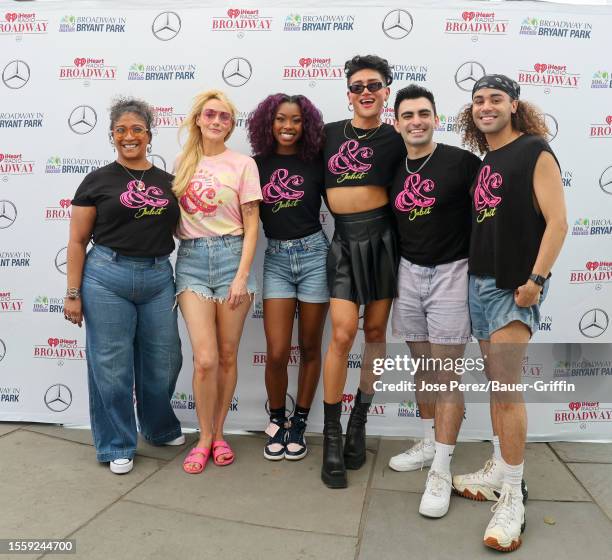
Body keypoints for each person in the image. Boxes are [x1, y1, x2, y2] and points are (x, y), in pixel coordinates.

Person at [453, 75, 567, 552]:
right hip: (480, 283)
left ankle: (514, 495)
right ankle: (501, 466)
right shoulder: (489, 160)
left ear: (514, 105)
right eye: (478, 100)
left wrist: (535, 282)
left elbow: (558, 222)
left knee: (505, 390)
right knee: (496, 388)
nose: (485, 107)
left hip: (513, 288)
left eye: (495, 99)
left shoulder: (534, 150)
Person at [65, 98, 184, 475]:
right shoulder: (97, 180)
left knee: (166, 361)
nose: (128, 136)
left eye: (137, 129)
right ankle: (117, 442)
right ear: (112, 135)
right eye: (121, 130)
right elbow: (76, 241)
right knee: (111, 366)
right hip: (106, 277)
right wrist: (73, 293)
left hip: (157, 277)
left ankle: (158, 427)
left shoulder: (169, 183)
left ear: (150, 134)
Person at [386, 85, 482, 517]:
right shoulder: (393, 166)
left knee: (445, 374)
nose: (416, 121)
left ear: (435, 118)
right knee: (423, 368)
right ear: (397, 122)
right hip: (407, 272)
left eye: (423, 113)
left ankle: (442, 468)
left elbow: (495, 212)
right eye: (408, 115)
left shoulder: (462, 163)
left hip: (451, 273)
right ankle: (430, 441)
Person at [321, 55, 406, 488]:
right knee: (340, 334)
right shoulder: (329, 134)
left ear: (387, 90)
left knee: (374, 333)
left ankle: (358, 422)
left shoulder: (397, 137)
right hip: (342, 242)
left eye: (374, 84)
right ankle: (331, 436)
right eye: (357, 86)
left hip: (382, 242)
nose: (365, 92)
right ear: (348, 92)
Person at [173, 90, 261, 474]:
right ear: (197, 119)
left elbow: (253, 225)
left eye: (225, 117)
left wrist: (242, 275)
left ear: (231, 124)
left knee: (227, 355)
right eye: (210, 114)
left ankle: (219, 434)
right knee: (205, 358)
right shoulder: (182, 163)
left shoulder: (243, 164)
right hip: (191, 261)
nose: (216, 121)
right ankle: (203, 435)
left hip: (232, 259)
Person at [247, 94, 328, 461]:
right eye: (281, 119)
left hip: (314, 256)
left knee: (310, 348)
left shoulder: (317, 162)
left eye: (296, 120)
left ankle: (300, 421)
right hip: (276, 258)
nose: (288, 127)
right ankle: (276, 419)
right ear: (269, 122)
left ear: (305, 124)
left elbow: (343, 202)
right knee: (277, 352)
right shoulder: (256, 165)